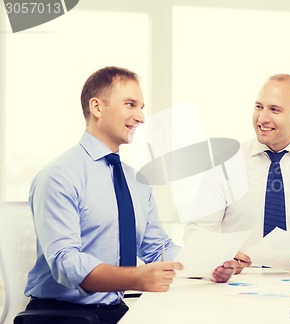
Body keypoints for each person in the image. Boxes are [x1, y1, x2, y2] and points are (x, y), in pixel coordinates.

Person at [24, 66, 236, 323]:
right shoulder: (60, 175)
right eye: (130, 105)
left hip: (115, 310)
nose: (141, 117)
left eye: (141, 107)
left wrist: (209, 265)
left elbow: (159, 248)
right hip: (62, 315)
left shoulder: (136, 181)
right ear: (97, 108)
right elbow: (66, 263)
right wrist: (135, 277)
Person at [184, 74, 290, 276]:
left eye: (274, 109)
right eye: (259, 107)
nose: (262, 118)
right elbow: (196, 232)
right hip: (234, 287)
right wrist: (220, 256)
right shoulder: (225, 165)